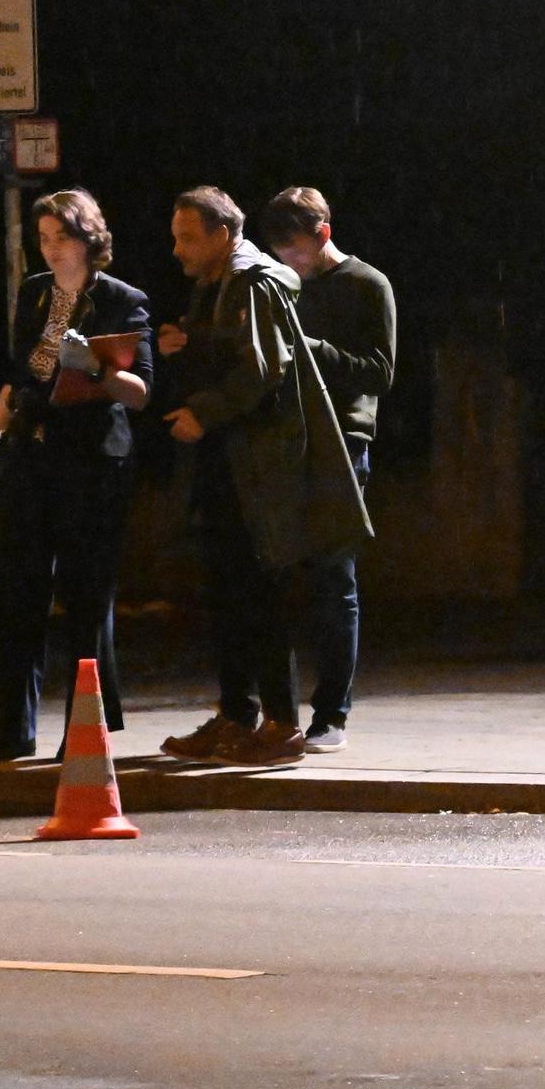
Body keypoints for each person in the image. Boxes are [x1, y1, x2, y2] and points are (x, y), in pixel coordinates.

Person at [157, 186, 371, 766]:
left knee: (258, 592)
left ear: (224, 234)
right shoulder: (216, 284)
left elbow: (264, 368)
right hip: (227, 460)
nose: (177, 250)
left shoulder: (253, 282)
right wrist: (188, 345)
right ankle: (236, 715)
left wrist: (205, 412)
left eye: (188, 237)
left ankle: (280, 724)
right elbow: (232, 354)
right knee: (228, 592)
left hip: (253, 464)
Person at [0, 189, 154, 761]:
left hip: (92, 462)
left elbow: (140, 392)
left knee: (86, 597)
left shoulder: (121, 299)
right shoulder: (35, 293)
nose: (51, 249)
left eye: (62, 237)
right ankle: (13, 728)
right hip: (31, 452)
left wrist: (94, 367)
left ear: (89, 238)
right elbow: (18, 378)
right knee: (15, 588)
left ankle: (85, 731)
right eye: (43, 238)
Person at [258, 187, 395, 751]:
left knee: (333, 581)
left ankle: (332, 715)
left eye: (296, 249)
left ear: (323, 234)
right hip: (286, 442)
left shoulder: (367, 284)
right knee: (275, 576)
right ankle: (276, 714)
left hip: (342, 442)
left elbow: (380, 371)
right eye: (280, 252)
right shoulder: (281, 285)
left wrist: (313, 348)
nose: (289, 260)